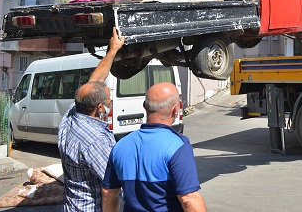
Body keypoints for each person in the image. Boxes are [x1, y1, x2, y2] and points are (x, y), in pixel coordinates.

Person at [102, 82, 206, 212]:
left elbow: (108, 193)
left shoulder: (120, 145)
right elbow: (189, 198)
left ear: (145, 106)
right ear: (175, 109)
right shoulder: (178, 145)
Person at [58, 27, 125, 212]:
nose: (111, 100)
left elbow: (94, 81)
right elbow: (109, 189)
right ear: (100, 107)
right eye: (109, 98)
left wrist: (113, 50)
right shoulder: (96, 141)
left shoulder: (71, 117)